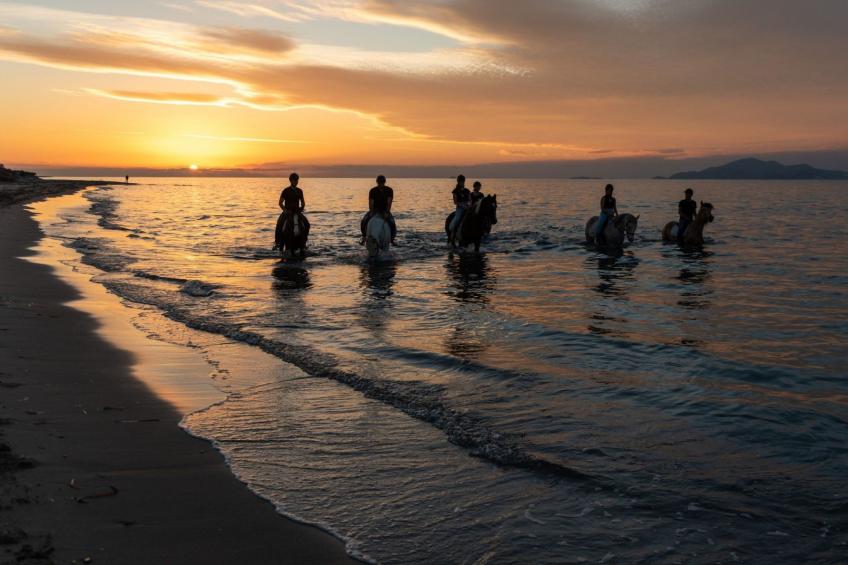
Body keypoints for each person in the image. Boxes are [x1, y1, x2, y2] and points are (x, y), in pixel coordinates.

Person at [360, 175, 397, 244]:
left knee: (392, 223)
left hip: (382, 210)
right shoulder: (374, 190)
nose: (381, 184)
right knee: (364, 221)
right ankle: (364, 236)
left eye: (381, 182)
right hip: (377, 210)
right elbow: (371, 203)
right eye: (380, 182)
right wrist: (372, 211)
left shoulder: (387, 190)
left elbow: (388, 202)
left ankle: (391, 239)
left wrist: (386, 212)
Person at [276, 172, 310, 245]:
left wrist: (302, 208)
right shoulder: (286, 191)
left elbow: (303, 202)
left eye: (297, 180)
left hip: (297, 212)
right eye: (294, 180)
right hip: (288, 212)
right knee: (279, 223)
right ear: (290, 181)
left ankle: (304, 240)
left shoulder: (300, 191)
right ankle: (278, 242)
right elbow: (280, 203)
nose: (296, 182)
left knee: (307, 224)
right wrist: (285, 210)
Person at [448, 175, 471, 244]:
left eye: (463, 181)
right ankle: (452, 232)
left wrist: (469, 204)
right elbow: (455, 202)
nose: (462, 182)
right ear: (458, 182)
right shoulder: (455, 191)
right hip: (460, 207)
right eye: (461, 181)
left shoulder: (467, 190)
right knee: (457, 218)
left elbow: (470, 199)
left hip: (467, 206)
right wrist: (462, 205)